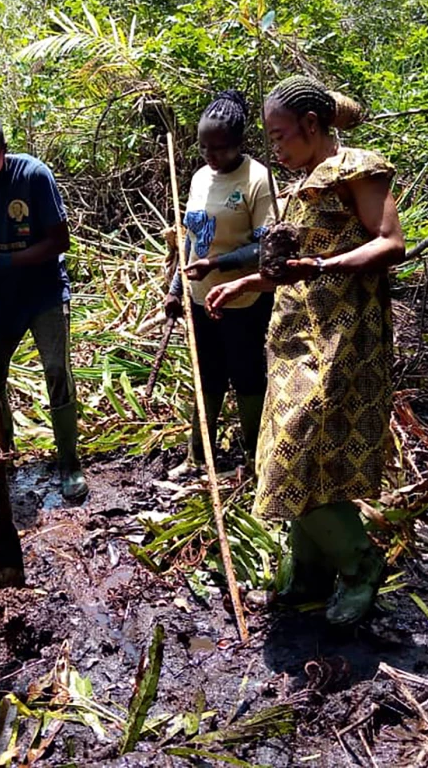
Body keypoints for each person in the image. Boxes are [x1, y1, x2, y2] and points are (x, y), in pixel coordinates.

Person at [206, 76, 404, 626]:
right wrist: (246, 283)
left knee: (293, 453)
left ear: (312, 125)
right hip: (295, 339)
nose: (274, 148)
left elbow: (390, 242)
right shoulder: (300, 186)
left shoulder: (356, 169)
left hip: (344, 339)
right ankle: (311, 573)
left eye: (280, 136)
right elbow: (292, 268)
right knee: (305, 457)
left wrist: (320, 267)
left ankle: (361, 565)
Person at [0, 112, 87, 501]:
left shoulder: (33, 176)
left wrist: (4, 261)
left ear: (5, 150)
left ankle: (69, 462)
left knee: (57, 370)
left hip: (43, 293)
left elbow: (59, 241)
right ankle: (3, 454)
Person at [163, 90, 275, 475]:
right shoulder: (199, 178)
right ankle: (198, 455)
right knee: (207, 375)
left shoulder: (258, 180)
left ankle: (255, 459)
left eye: (220, 148)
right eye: (204, 147)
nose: (210, 155)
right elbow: (192, 239)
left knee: (246, 375)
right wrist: (176, 289)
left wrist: (218, 263)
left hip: (243, 300)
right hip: (200, 297)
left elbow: (265, 247)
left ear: (239, 143)